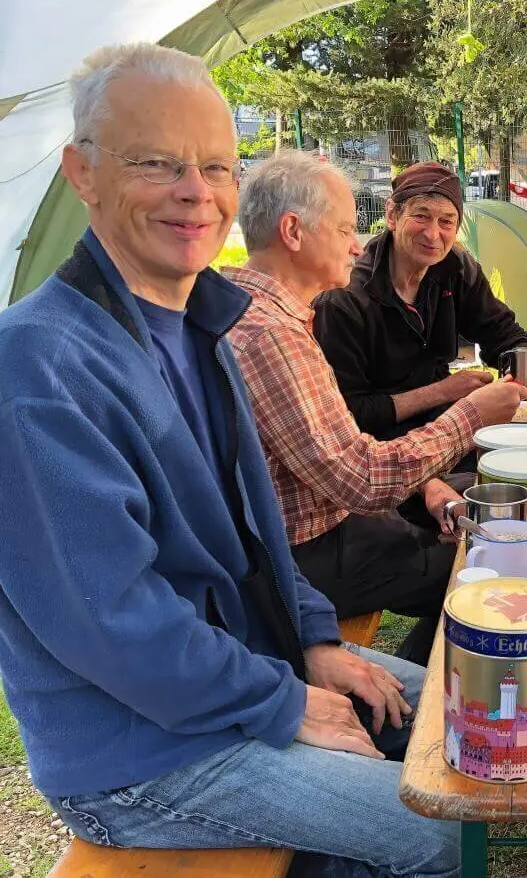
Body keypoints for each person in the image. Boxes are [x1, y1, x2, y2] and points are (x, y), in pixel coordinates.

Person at [0, 43, 458, 875]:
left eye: (215, 166)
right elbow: (115, 626)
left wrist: (314, 641)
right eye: (155, 162)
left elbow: (258, 529)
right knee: (441, 827)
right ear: (83, 173)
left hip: (245, 673)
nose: (195, 192)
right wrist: (286, 703)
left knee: (458, 720)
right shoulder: (36, 368)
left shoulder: (206, 321)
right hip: (136, 756)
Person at [225, 151, 527, 663]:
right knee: (480, 560)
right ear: (294, 232)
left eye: (447, 222)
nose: (354, 244)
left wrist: (430, 482)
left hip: (331, 515)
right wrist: (469, 413)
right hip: (300, 553)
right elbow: (359, 477)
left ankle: (417, 673)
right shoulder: (275, 334)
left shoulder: (261, 312)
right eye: (344, 228)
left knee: (474, 513)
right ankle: (425, 699)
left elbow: (339, 461)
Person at [314, 161, 527, 443]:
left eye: (446, 222)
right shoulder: (344, 297)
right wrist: (442, 391)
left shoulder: (457, 269)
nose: (433, 234)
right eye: (421, 216)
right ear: (392, 215)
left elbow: (501, 333)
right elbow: (350, 413)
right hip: (380, 448)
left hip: (445, 430)